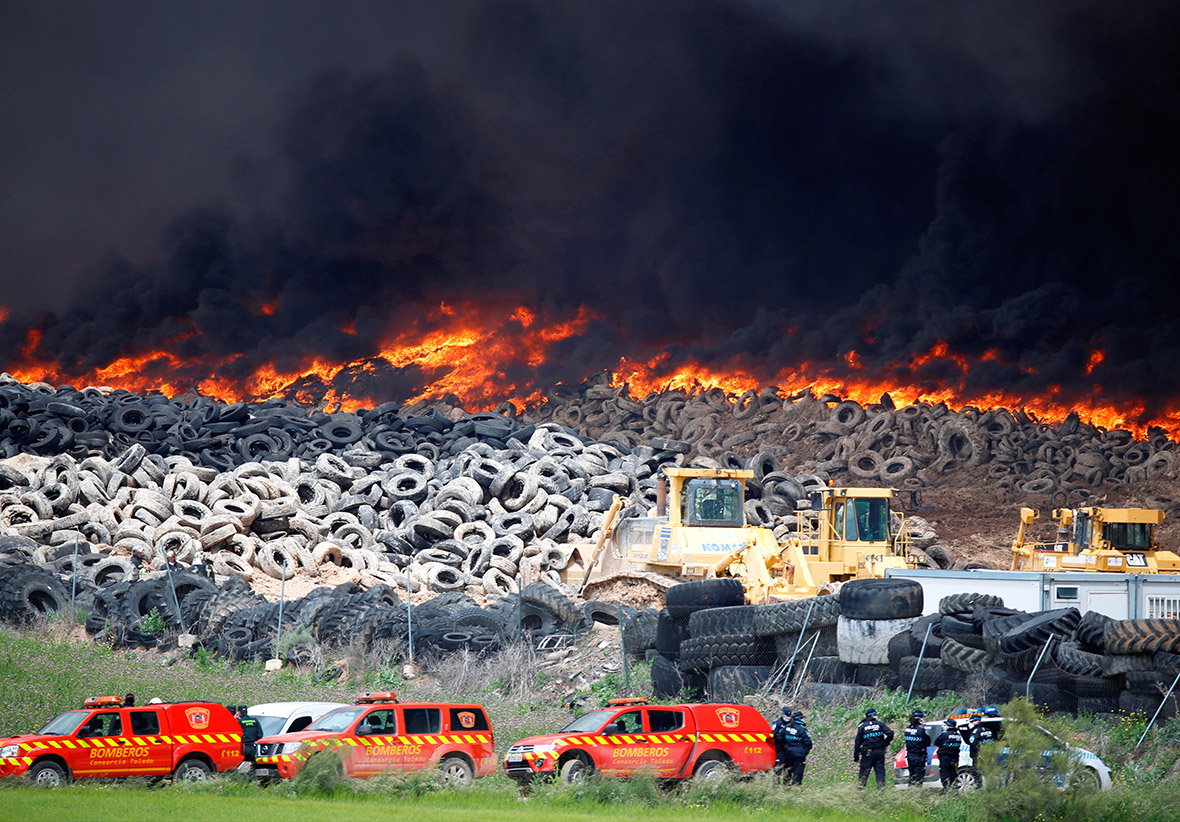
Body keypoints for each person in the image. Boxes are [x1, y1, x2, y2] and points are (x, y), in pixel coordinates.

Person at [853, 707, 894, 789]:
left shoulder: (862, 726)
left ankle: (860, 791)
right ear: (873, 715)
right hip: (879, 752)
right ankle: (881, 790)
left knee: (864, 774)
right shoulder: (880, 724)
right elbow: (890, 733)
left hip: (868, 753)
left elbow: (857, 742)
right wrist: (885, 743)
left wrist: (856, 756)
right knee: (880, 772)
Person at [779, 710, 813, 785]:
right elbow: (808, 743)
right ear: (800, 719)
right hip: (799, 756)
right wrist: (804, 751)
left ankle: (785, 790)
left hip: (788, 754)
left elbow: (780, 738)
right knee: (797, 775)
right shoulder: (802, 729)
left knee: (787, 773)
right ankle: (796, 790)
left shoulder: (786, 727)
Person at [902, 709, 931, 787]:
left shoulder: (907, 729)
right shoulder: (921, 730)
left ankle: (910, 791)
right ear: (919, 718)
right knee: (919, 776)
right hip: (919, 756)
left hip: (910, 755)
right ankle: (917, 791)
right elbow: (927, 742)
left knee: (912, 775)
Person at [934, 718, 963, 791]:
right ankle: (953, 791)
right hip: (955, 758)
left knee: (945, 775)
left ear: (948, 726)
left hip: (945, 758)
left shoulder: (944, 735)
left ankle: (947, 790)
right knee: (953, 775)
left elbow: (937, 742)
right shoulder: (958, 735)